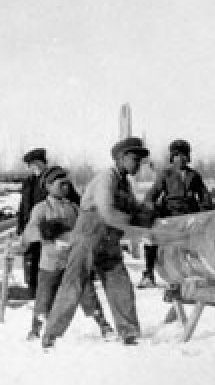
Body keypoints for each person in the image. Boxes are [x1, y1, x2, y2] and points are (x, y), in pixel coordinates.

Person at [42, 137, 155, 349]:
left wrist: (148, 214)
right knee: (73, 285)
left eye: (140, 159)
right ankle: (51, 335)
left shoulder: (125, 183)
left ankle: (129, 333)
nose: (138, 164)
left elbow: (133, 209)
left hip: (109, 240)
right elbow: (107, 212)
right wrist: (136, 226)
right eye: (134, 158)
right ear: (121, 158)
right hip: (88, 237)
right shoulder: (106, 178)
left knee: (120, 284)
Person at [21, 165, 113, 341]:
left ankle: (103, 325)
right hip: (50, 264)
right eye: (60, 184)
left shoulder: (74, 208)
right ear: (47, 186)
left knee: (87, 293)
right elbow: (28, 234)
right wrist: (45, 230)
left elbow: (84, 228)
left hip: (74, 260)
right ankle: (35, 330)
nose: (65, 187)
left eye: (67, 184)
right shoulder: (41, 209)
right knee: (44, 298)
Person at [139, 139, 213, 288]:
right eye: (177, 155)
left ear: (188, 157)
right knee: (152, 236)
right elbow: (152, 194)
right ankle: (148, 273)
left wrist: (204, 210)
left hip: (189, 214)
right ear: (172, 157)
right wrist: (151, 207)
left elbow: (204, 195)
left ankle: (201, 274)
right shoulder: (166, 174)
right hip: (170, 213)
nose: (181, 159)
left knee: (201, 240)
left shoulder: (194, 175)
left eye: (184, 155)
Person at [17, 148, 63, 300]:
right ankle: (32, 293)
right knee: (30, 260)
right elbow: (22, 206)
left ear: (43, 163)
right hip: (30, 228)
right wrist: (20, 228)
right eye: (31, 165)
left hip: (48, 229)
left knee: (47, 261)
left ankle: (50, 293)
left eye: (36, 164)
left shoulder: (55, 180)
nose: (33, 168)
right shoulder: (28, 182)